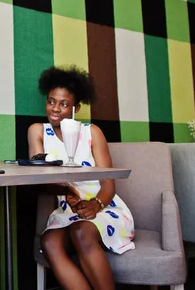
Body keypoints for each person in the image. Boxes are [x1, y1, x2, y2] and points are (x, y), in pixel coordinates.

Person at [27, 66, 134, 290]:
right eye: (51, 101)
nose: (55, 109)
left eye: (64, 104)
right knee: (49, 242)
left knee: (81, 232)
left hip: (104, 206)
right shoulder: (37, 131)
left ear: (76, 108)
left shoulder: (92, 132)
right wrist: (66, 192)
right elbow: (38, 179)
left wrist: (95, 205)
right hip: (67, 208)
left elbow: (108, 184)